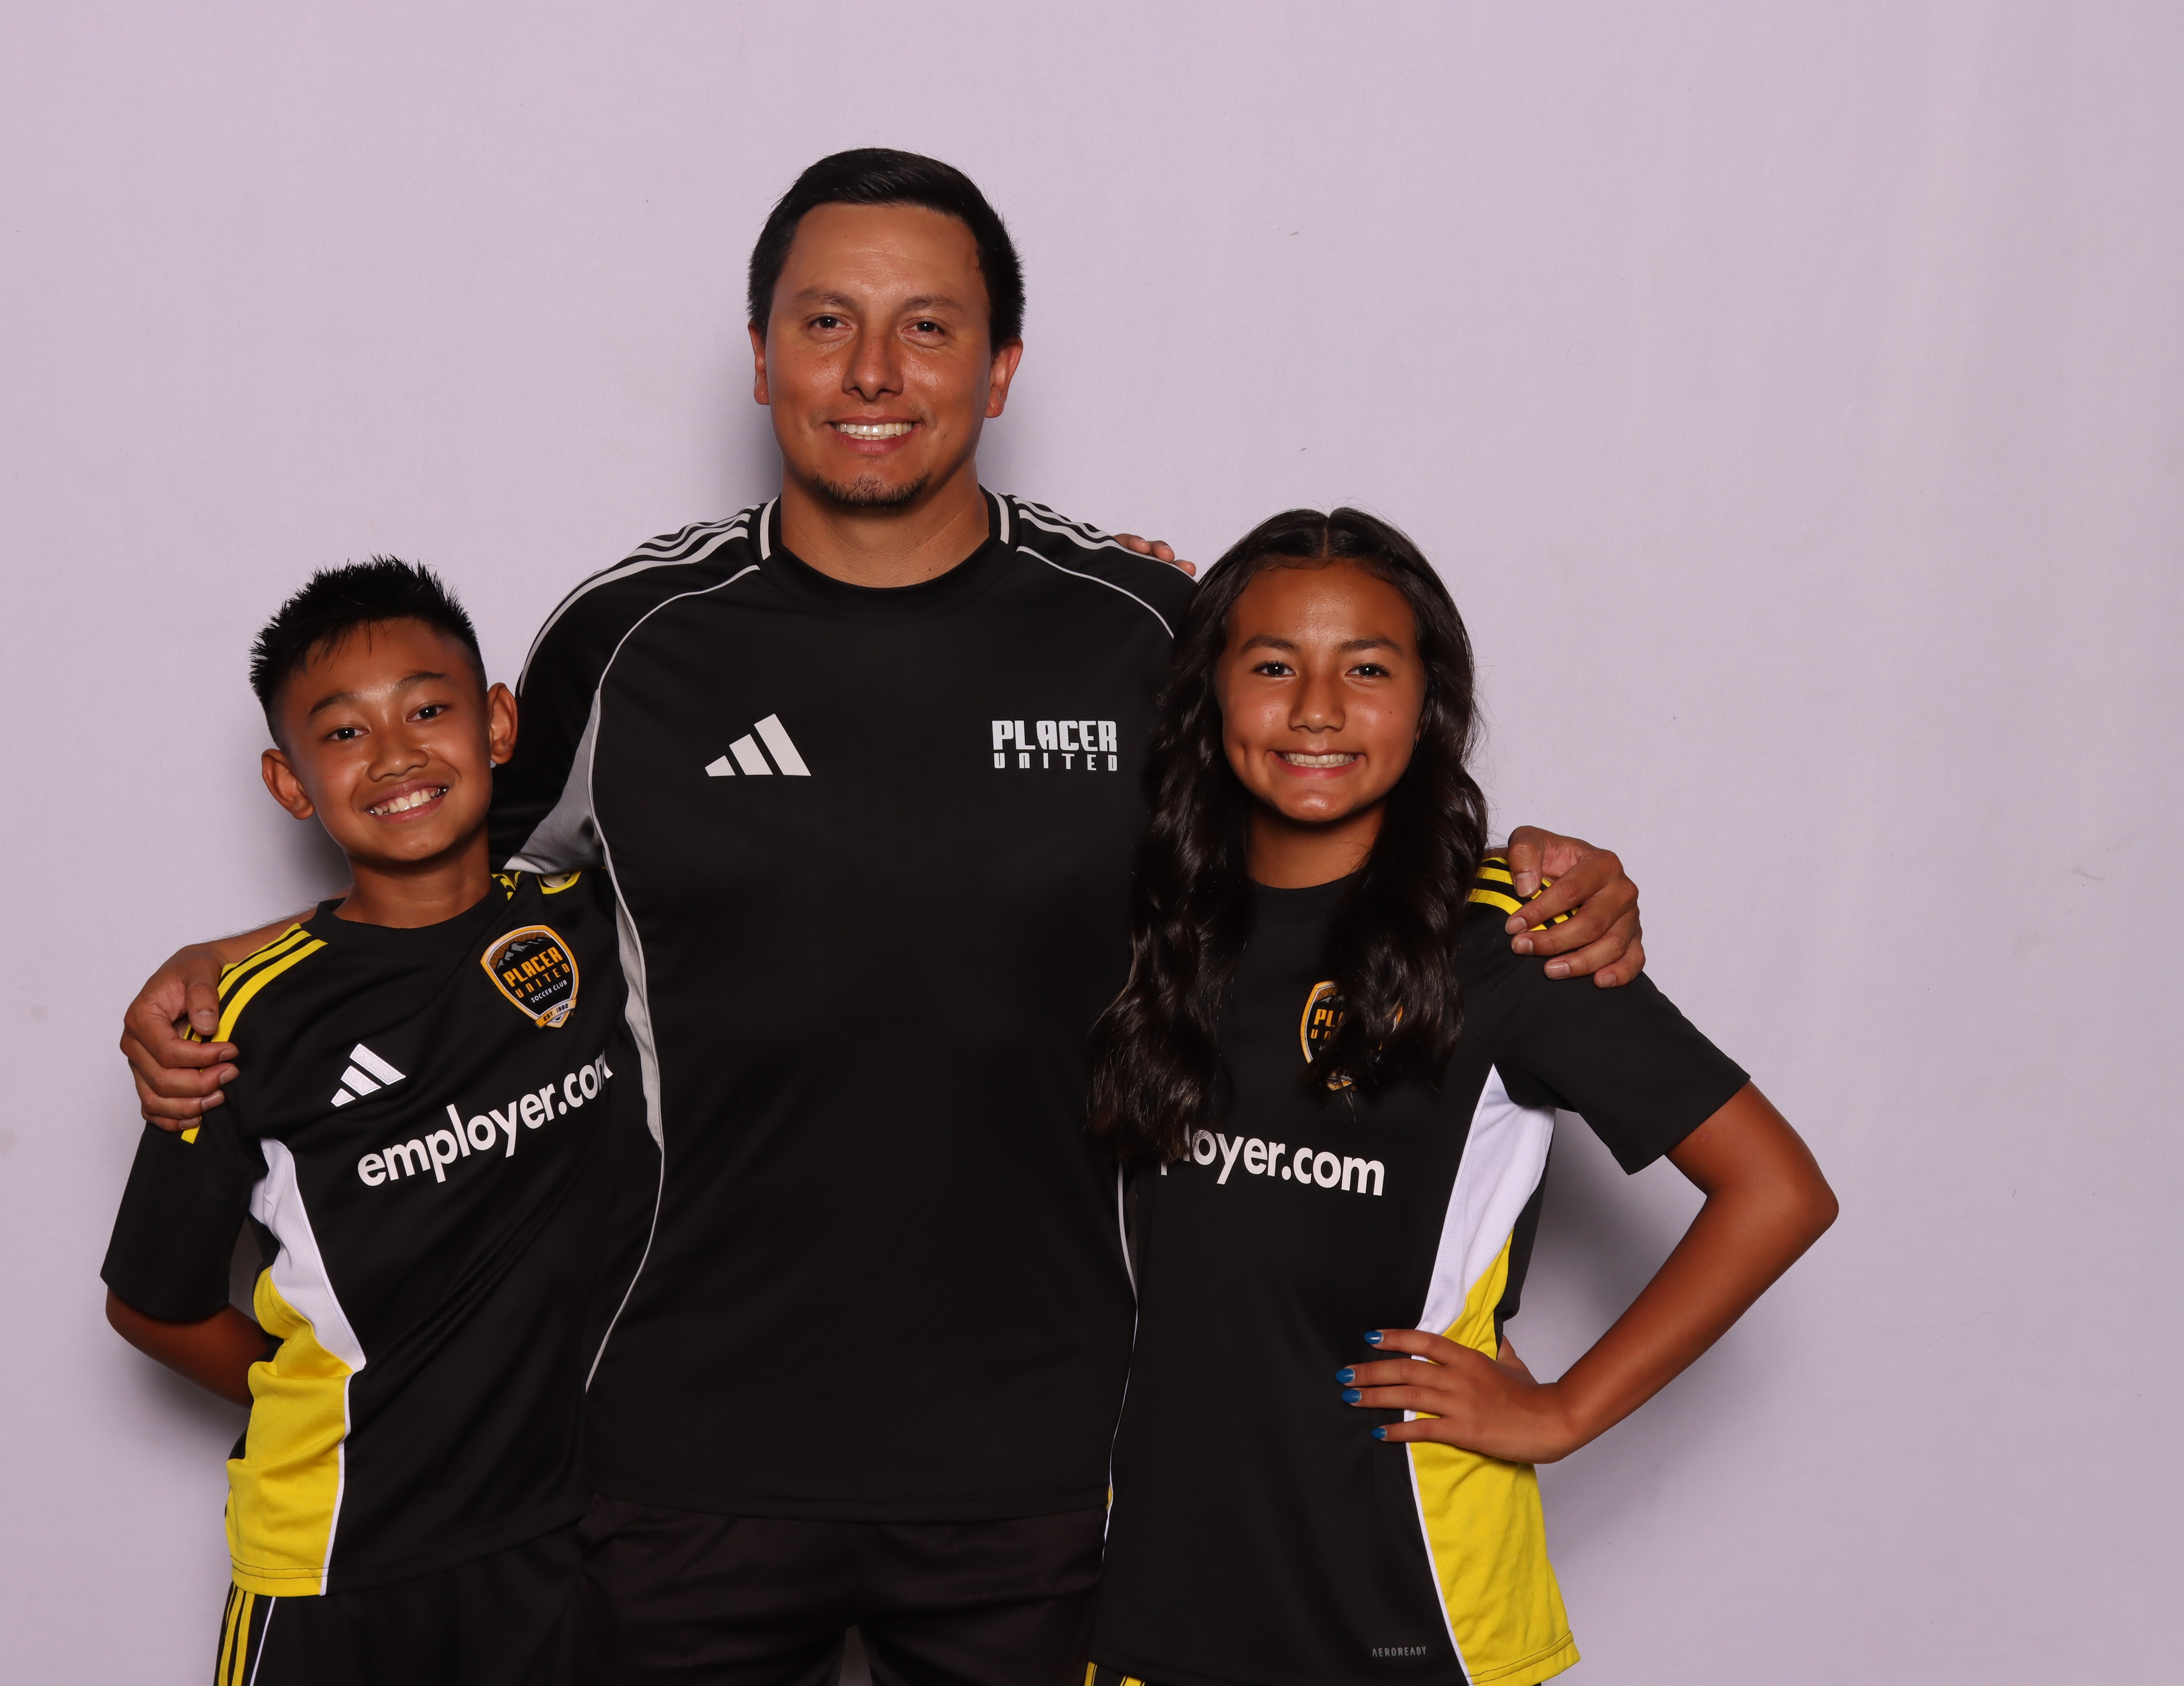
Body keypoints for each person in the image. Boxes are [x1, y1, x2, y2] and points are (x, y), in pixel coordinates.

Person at [118, 152, 1651, 1685]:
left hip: (1052, 1465)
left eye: (927, 326)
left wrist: (1534, 864)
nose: (872, 372)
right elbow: (441, 877)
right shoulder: (626, 642)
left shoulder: (1141, 629)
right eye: (826, 322)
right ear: (761, 354)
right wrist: (234, 964)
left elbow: (1328, 794)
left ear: (1002, 367)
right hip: (678, 1455)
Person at [1082, 508, 1837, 1686]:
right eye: (1272, 665)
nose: (1317, 709)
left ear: (1429, 701)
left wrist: (1564, 1411)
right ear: (1209, 694)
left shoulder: (1507, 942)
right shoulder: (1152, 928)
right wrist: (1104, 599)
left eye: (1367, 669)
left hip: (1414, 1599)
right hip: (1153, 1603)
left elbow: (1778, 1189)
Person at [101, 560, 650, 1686]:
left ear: (499, 725)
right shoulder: (241, 1021)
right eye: (344, 734)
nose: (396, 756)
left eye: (429, 711)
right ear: (290, 782)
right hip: (334, 1561)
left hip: (568, 1539)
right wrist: (350, 1400)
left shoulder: (599, 924)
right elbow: (152, 1304)